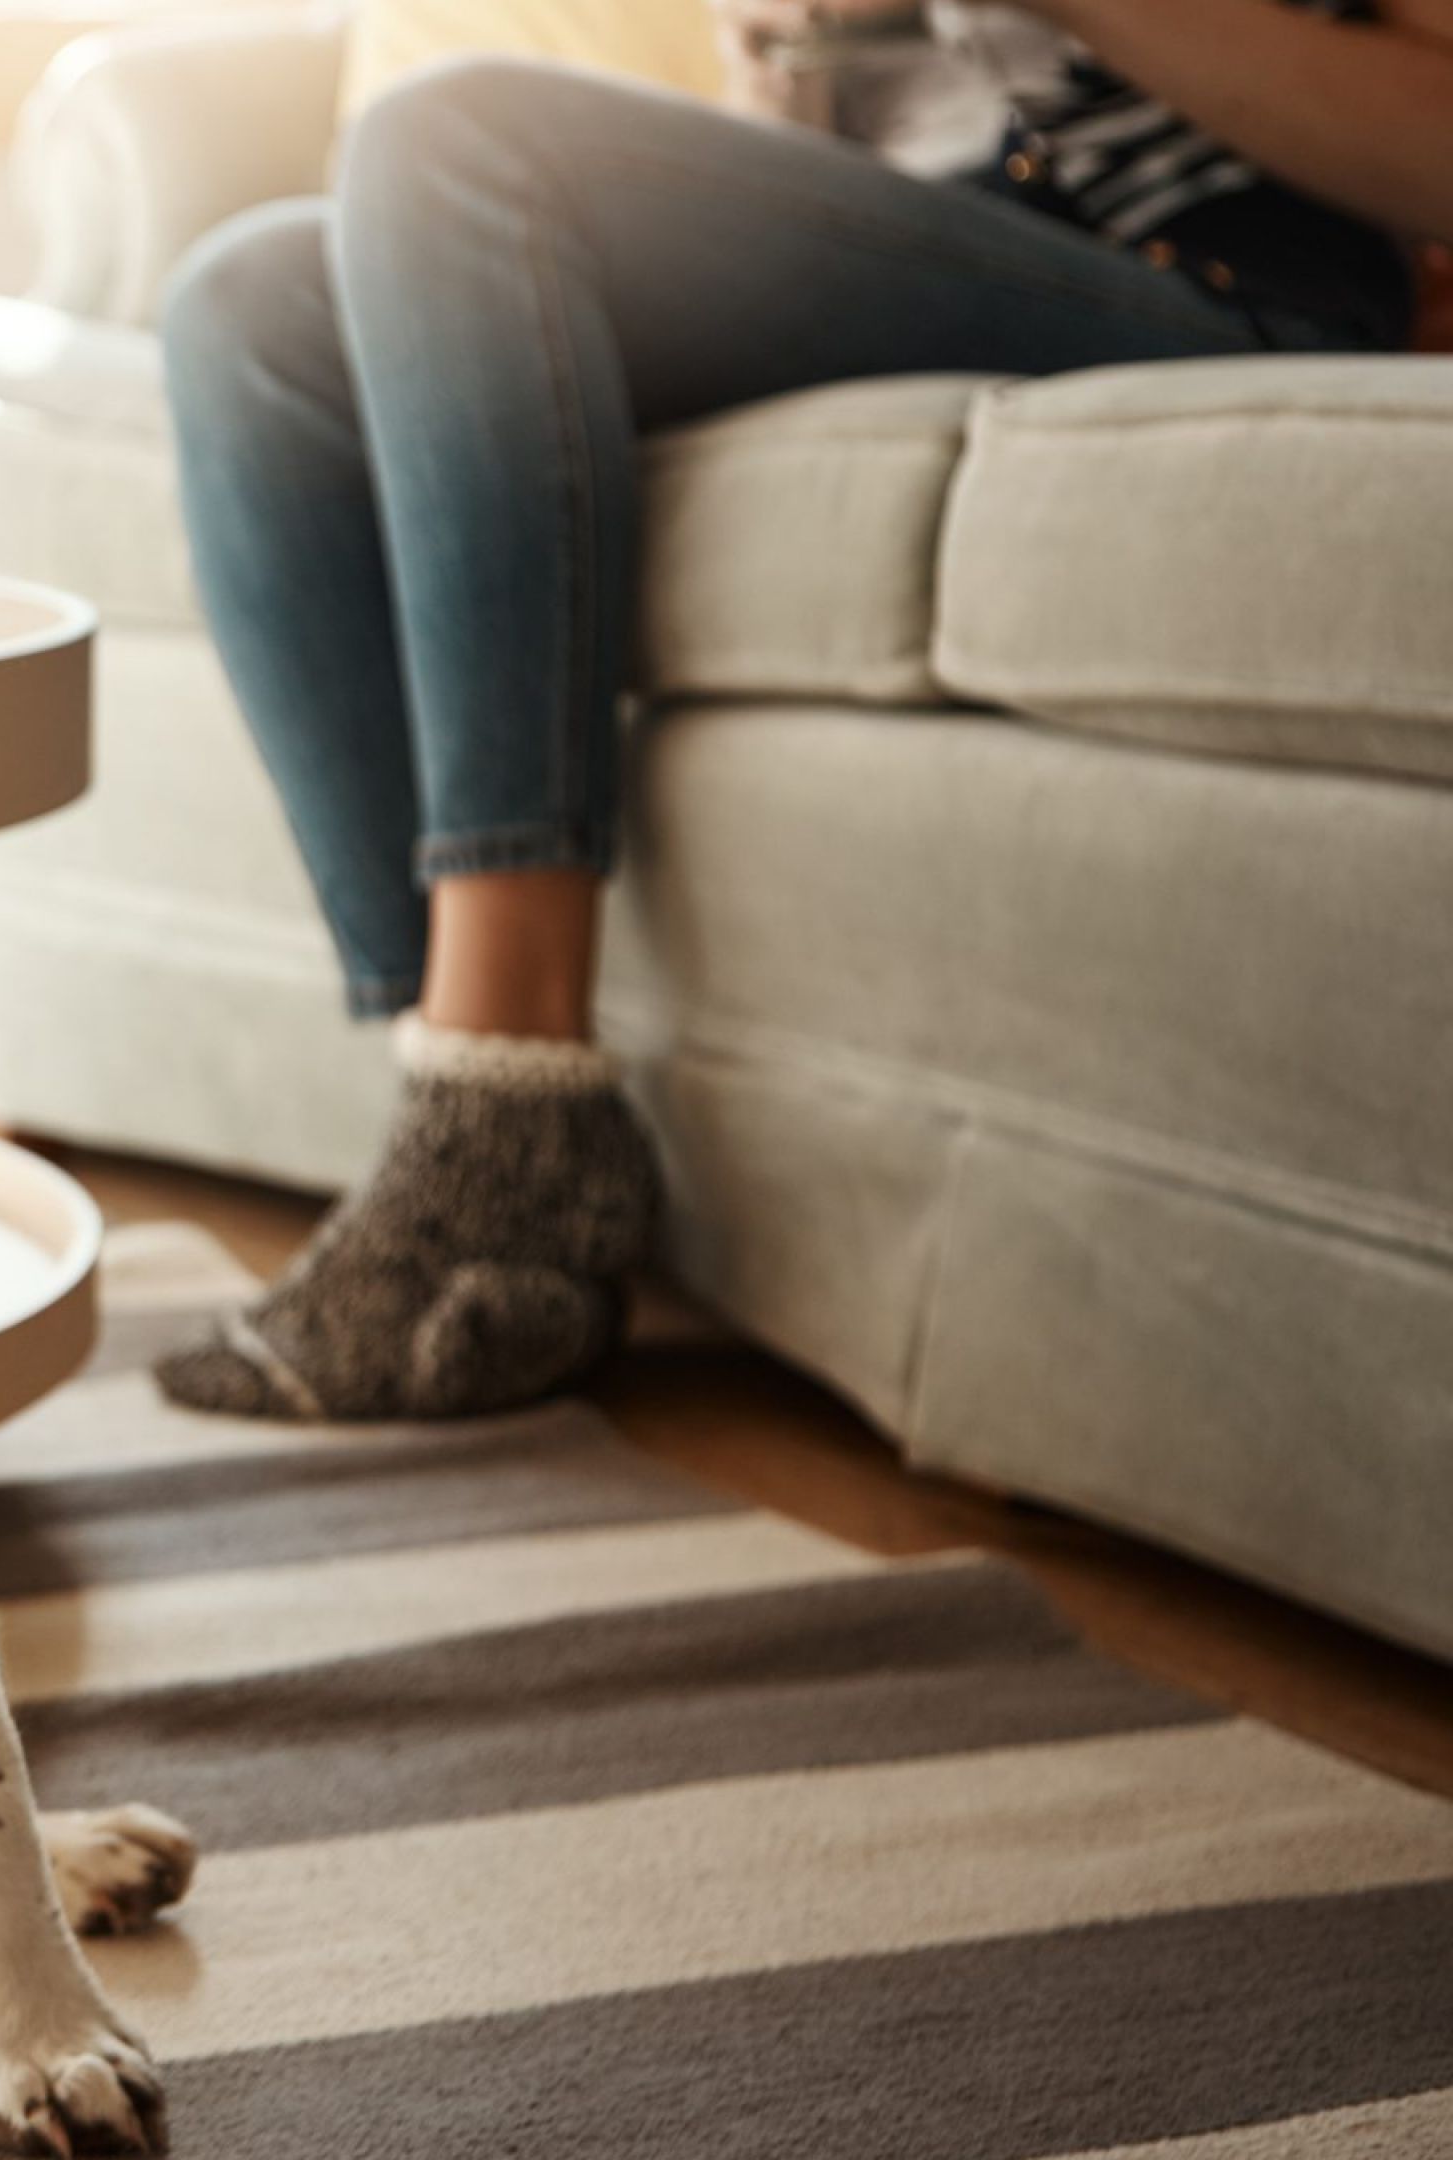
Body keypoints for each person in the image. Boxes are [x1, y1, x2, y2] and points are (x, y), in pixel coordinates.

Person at [150, 0, 1450, 1422]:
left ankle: (504, 1114)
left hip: (1223, 276)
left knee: (454, 138)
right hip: (923, 242)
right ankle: (458, 1131)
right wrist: (788, 74)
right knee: (250, 304)